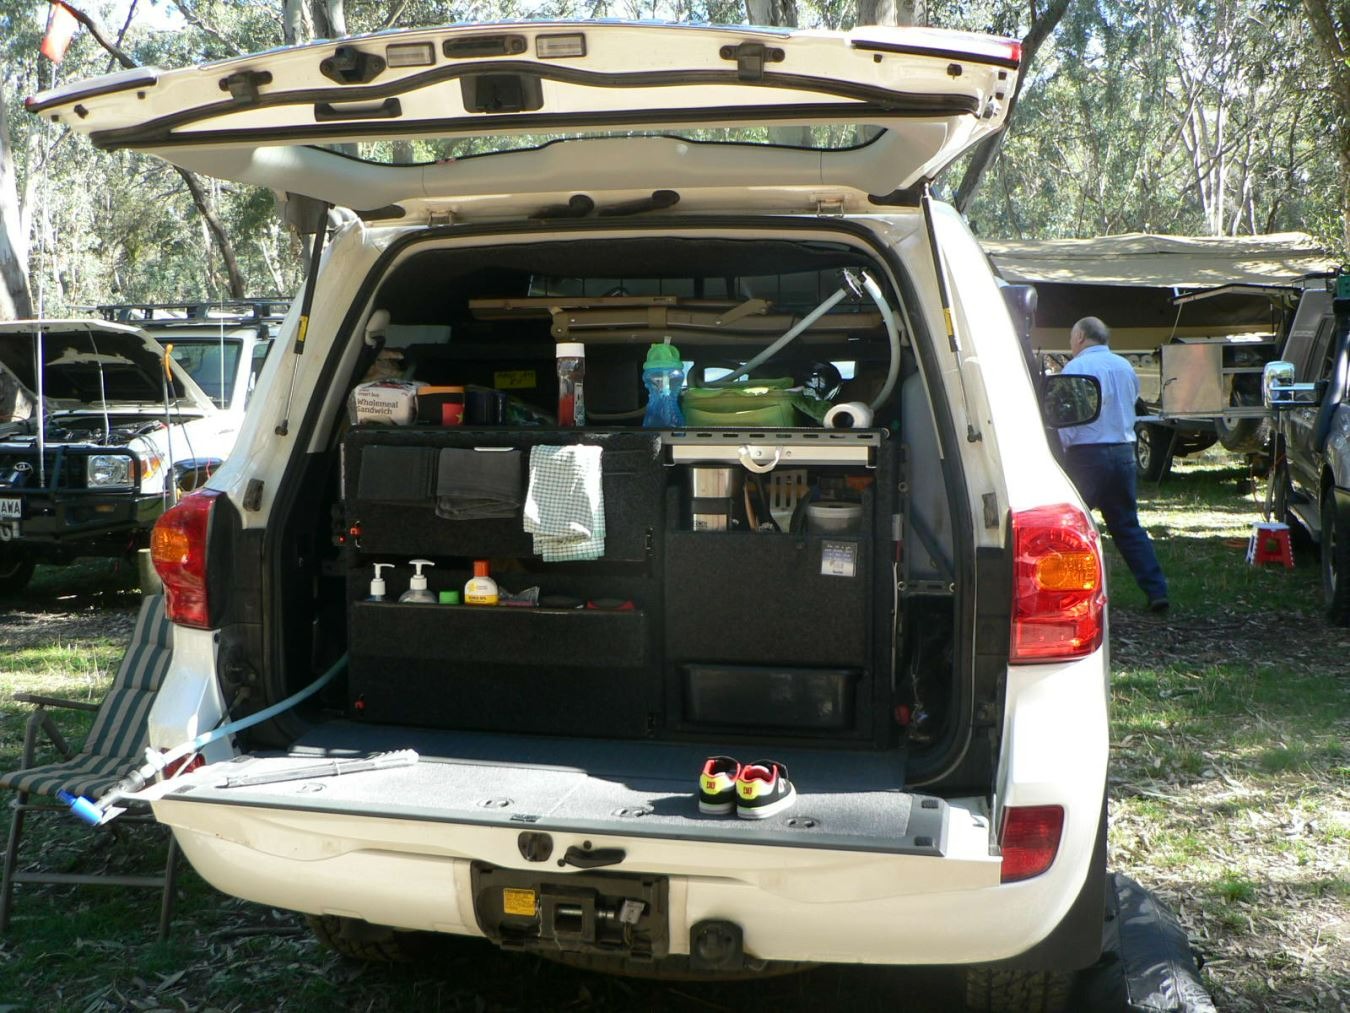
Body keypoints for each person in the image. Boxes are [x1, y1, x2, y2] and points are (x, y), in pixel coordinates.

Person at [1060, 316, 1170, 612]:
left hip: (1086, 455)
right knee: (1127, 525)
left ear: (1081, 336)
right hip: (1123, 450)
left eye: (1072, 338)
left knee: (1072, 527)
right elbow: (1132, 402)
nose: (1071, 345)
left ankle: (1070, 594)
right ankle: (1156, 589)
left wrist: (1060, 448)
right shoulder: (1124, 366)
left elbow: (1069, 417)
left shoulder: (1076, 368)